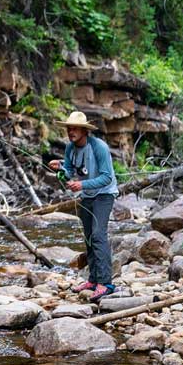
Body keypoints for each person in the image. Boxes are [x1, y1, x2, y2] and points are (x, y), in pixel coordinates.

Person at [48, 111, 120, 302]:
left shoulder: (99, 147)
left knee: (98, 235)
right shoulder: (70, 148)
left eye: (74, 128)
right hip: (87, 196)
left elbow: (107, 177)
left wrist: (82, 185)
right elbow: (70, 171)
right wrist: (61, 169)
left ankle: (106, 284)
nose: (70, 131)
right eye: (68, 128)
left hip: (104, 195)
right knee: (88, 237)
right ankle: (93, 280)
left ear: (84, 130)